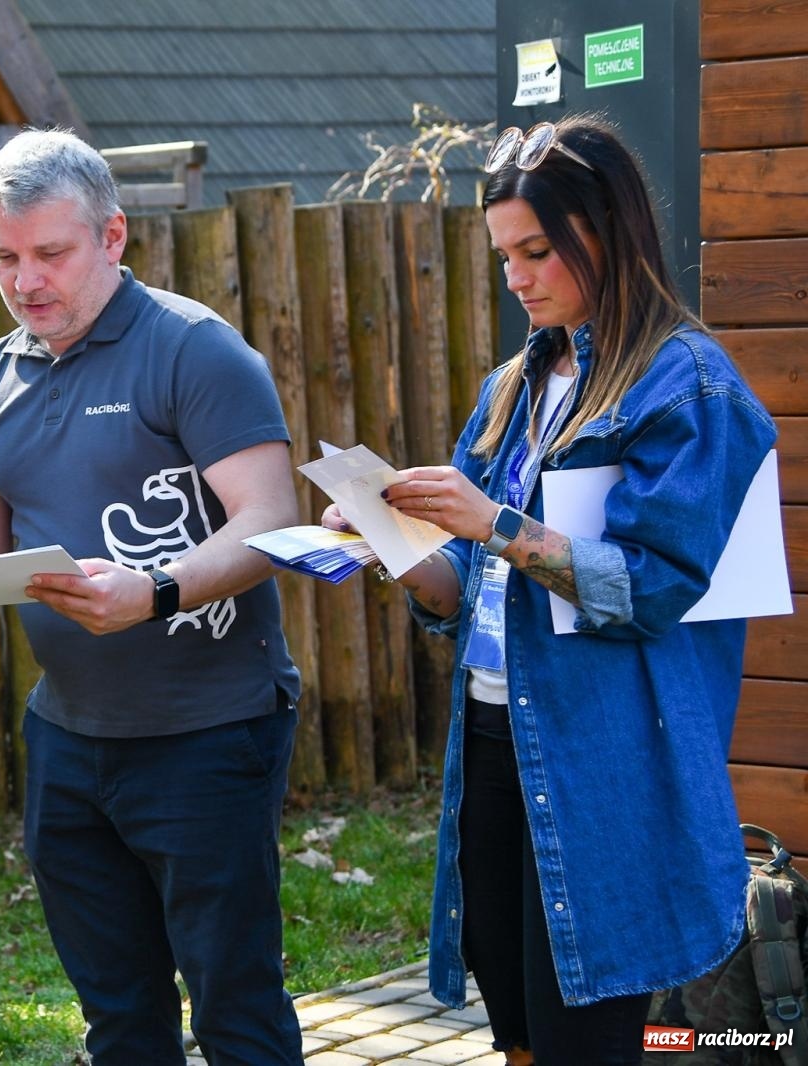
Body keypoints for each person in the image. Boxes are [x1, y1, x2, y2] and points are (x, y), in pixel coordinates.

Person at [325, 115, 777, 1065]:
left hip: (602, 753)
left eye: (536, 250)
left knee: (592, 1034)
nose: (517, 277)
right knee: (519, 1030)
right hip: (493, 737)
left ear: (605, 231)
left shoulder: (689, 388)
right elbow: (461, 593)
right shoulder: (514, 387)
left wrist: (492, 521)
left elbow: (651, 586)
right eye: (502, 256)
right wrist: (390, 538)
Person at [0, 129, 305, 1065]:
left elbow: (271, 522)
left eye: (49, 254)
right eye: (3, 257)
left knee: (235, 1003)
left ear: (112, 238)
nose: (25, 280)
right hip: (67, 740)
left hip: (210, 729)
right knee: (117, 1012)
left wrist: (152, 593)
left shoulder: (195, 350)